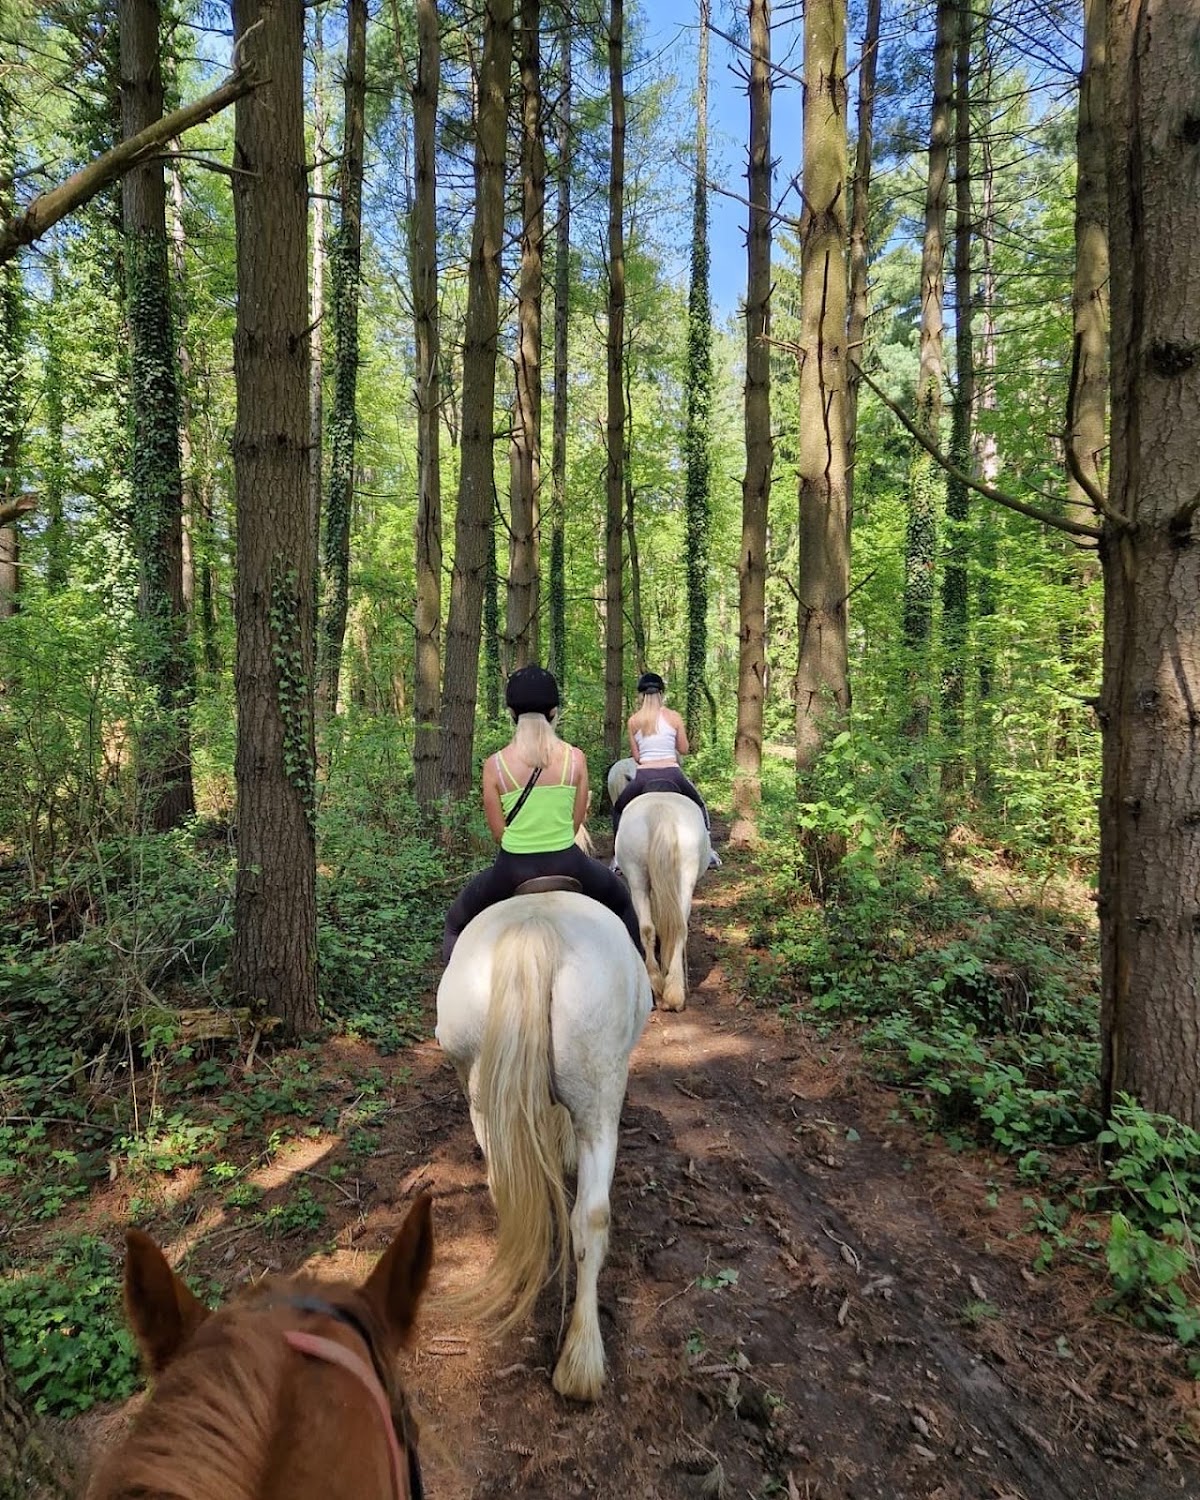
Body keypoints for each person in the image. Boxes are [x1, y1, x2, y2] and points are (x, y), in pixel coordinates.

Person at [443, 665, 645, 961]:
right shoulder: (575, 759)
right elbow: (576, 822)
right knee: (624, 903)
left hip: (512, 869)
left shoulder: (495, 765)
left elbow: (499, 832)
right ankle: (644, 985)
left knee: (454, 923)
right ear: (553, 713)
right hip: (569, 862)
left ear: (512, 714)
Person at [611, 671, 719, 866]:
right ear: (661, 693)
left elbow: (636, 757)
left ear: (641, 695)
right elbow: (684, 749)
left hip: (644, 776)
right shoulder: (674, 717)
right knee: (700, 805)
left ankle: (618, 856)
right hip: (673, 774)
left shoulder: (634, 721)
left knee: (618, 808)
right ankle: (709, 850)